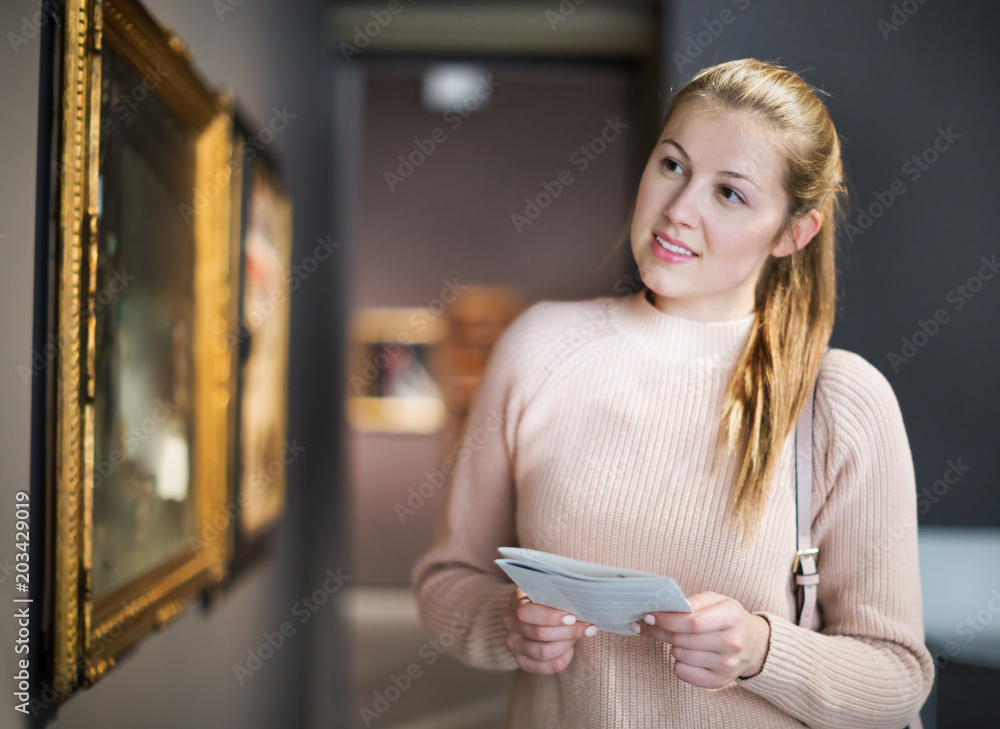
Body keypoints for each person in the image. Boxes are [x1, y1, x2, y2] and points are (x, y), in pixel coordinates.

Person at [410, 58, 934, 729]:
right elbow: (446, 576)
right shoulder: (538, 348)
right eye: (672, 165)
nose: (679, 210)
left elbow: (897, 677)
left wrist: (761, 650)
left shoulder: (840, 399)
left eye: (730, 193)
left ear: (791, 233)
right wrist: (503, 623)